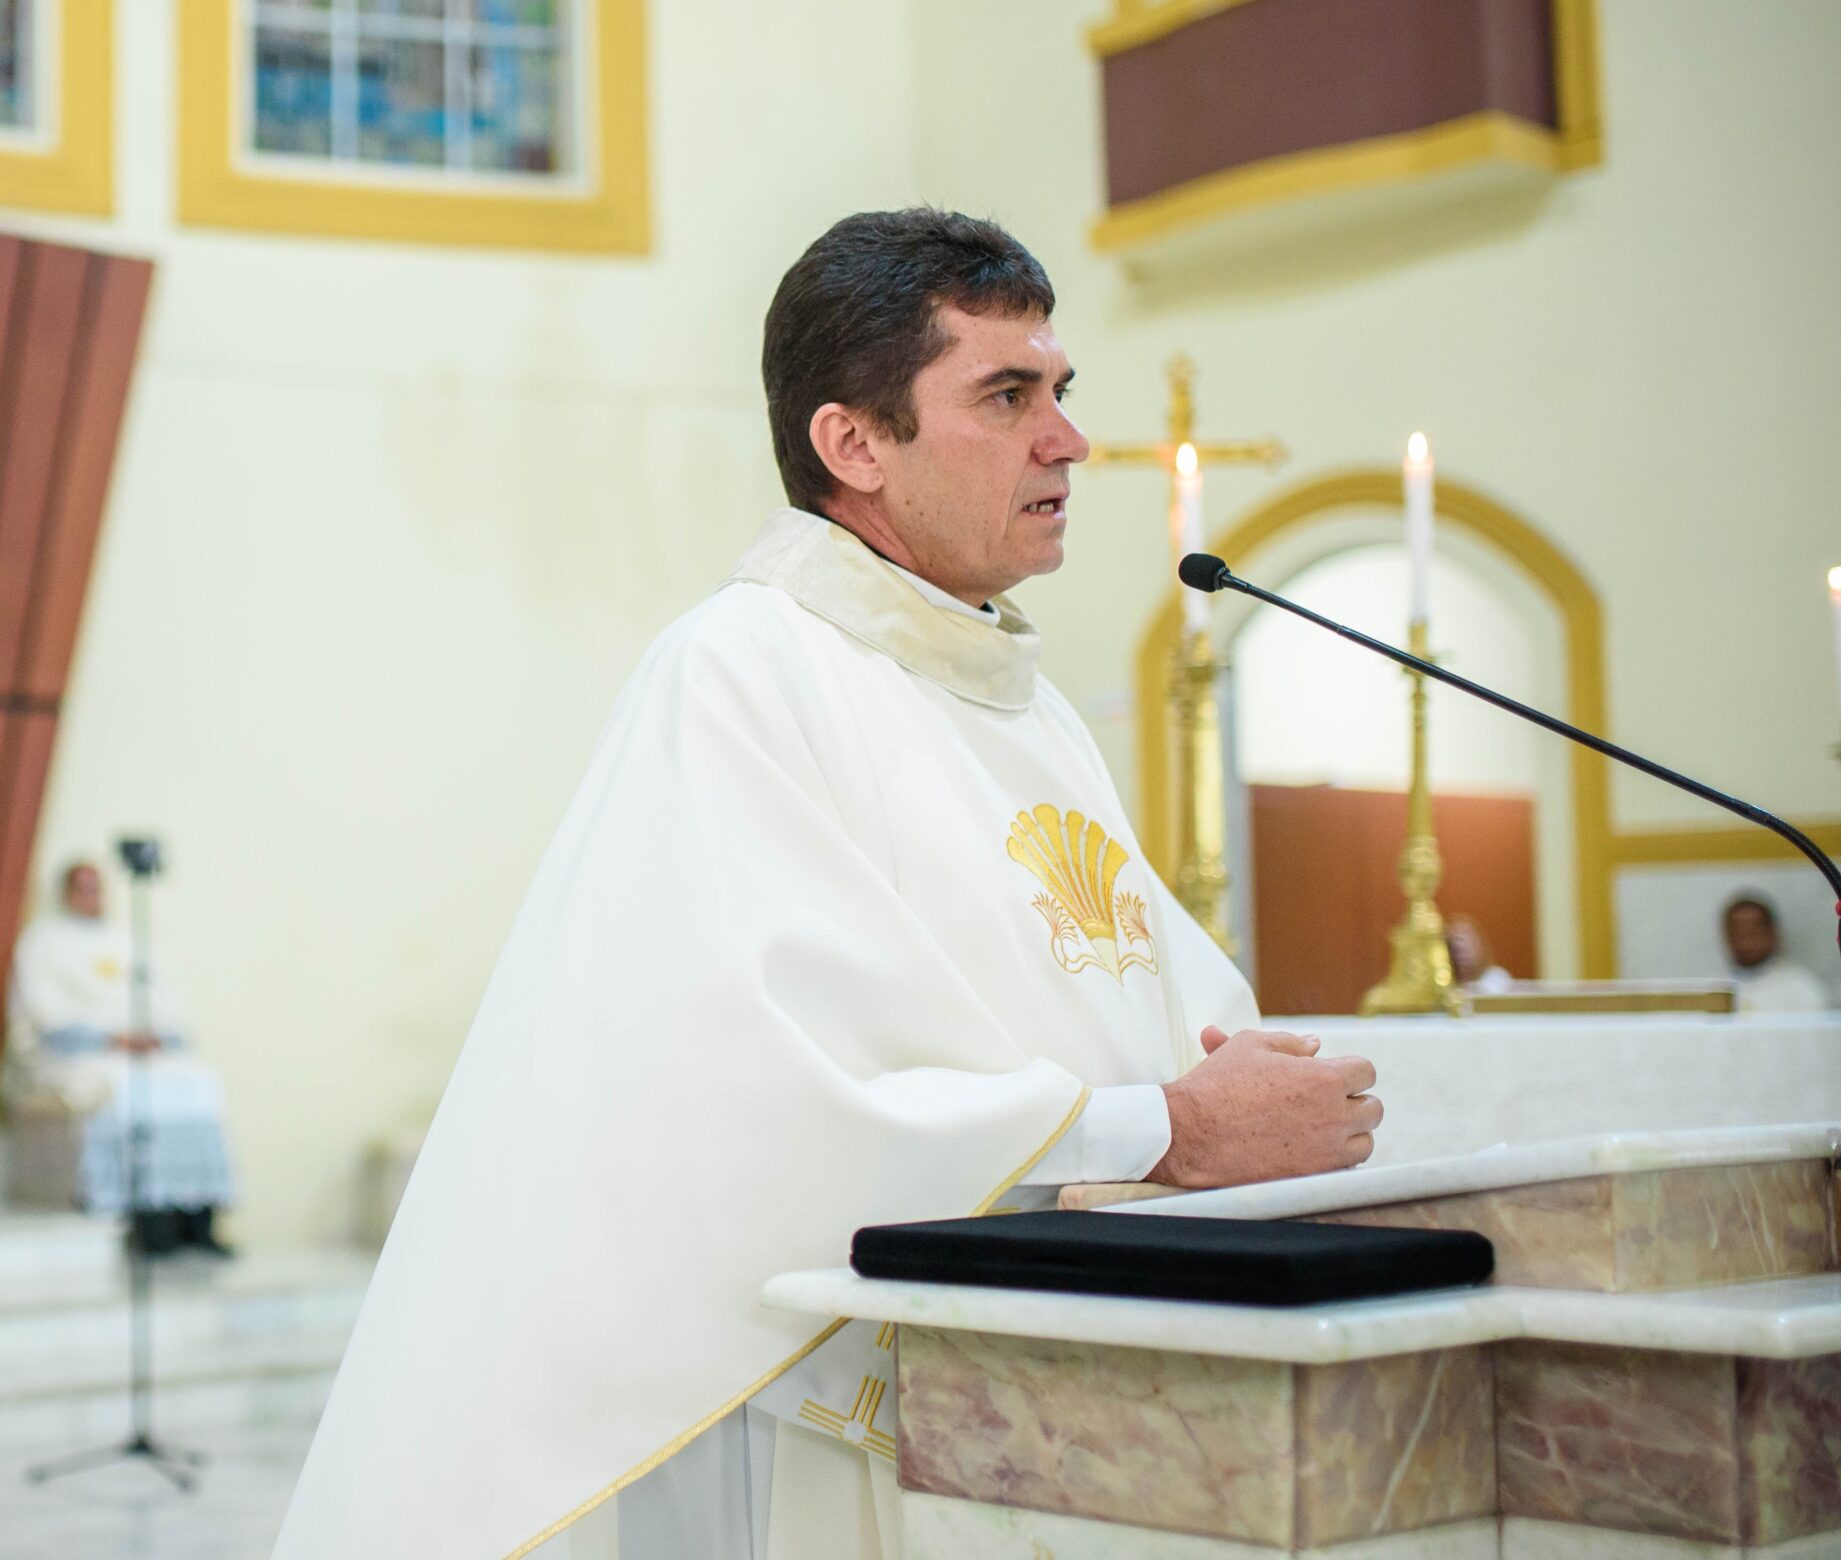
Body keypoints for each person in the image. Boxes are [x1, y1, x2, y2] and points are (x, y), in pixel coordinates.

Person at [274, 209, 1383, 1560]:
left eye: (1061, 393)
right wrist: (1164, 1129)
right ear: (853, 444)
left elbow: (1128, 988)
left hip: (1057, 1391)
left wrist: (1231, 1078)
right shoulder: (741, 671)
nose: (1069, 440)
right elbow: (752, 1095)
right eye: (1006, 395)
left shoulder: (1028, 711)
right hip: (835, 1412)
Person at [4, 861, 236, 1254]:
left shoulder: (126, 939)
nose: (91, 896)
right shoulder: (43, 941)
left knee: (199, 1082)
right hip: (87, 1054)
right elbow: (46, 1015)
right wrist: (112, 1038)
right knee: (124, 1089)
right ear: (66, 893)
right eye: (82, 888)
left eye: (97, 887)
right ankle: (148, 1222)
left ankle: (197, 1218)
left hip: (140, 1050)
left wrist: (154, 1035)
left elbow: (164, 998)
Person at [1723, 893, 1833, 1012]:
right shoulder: (1717, 989)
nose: (1745, 943)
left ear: (1773, 934)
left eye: (1752, 933)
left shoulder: (1802, 989)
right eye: (1737, 934)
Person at [1445, 914, 1514, 994]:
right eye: (1454, 945)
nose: (1460, 947)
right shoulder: (1442, 983)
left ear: (1480, 945)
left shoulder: (1497, 978)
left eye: (1468, 941)